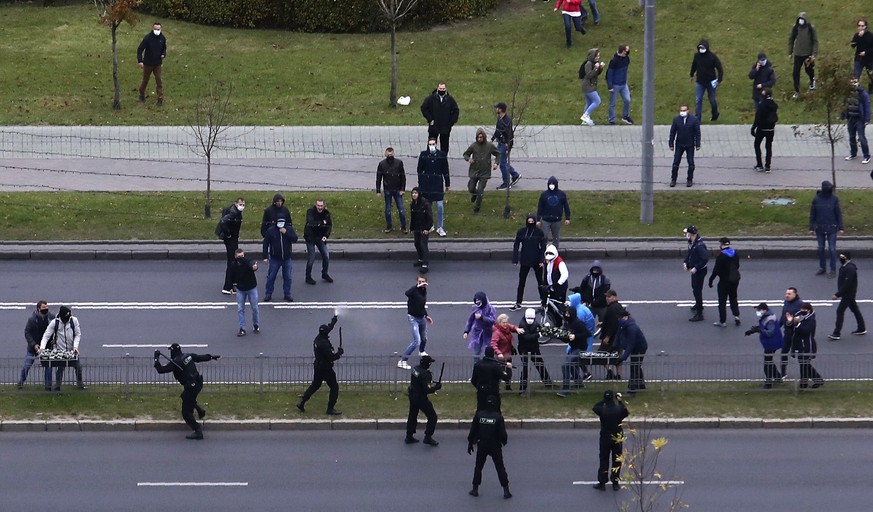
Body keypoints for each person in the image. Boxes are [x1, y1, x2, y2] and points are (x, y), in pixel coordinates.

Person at [153, 343, 220, 440]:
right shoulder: (187, 356)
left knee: (186, 412)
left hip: (191, 387)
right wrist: (211, 357)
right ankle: (200, 410)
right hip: (198, 383)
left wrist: (156, 359)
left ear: (173, 351)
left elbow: (161, 370)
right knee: (185, 396)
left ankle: (197, 430)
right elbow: (200, 358)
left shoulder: (176, 362)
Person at [297, 315, 344, 415]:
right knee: (334, 387)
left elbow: (328, 329)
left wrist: (333, 321)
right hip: (326, 368)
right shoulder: (324, 344)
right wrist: (339, 354)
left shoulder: (318, 338)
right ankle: (330, 408)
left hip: (318, 366)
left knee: (315, 385)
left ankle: (302, 402)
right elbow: (331, 357)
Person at [467, 395, 511, 499]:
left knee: (478, 467)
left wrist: (470, 444)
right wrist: (504, 442)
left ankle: (475, 489)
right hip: (495, 445)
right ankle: (506, 490)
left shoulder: (479, 415)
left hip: (482, 445)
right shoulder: (498, 417)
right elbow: (503, 434)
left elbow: (472, 431)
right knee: (500, 467)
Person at [37, 305, 85, 391]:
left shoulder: (74, 321)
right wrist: (42, 348)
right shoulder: (55, 322)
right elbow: (46, 336)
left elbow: (78, 334)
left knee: (78, 367)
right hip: (60, 350)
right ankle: (57, 387)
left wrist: (75, 347)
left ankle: (80, 385)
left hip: (71, 350)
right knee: (60, 369)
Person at [592, 390, 628, 491]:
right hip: (617, 438)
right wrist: (620, 400)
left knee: (604, 460)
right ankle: (615, 482)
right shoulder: (619, 409)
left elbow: (594, 407)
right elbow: (626, 411)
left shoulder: (602, 410)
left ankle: (602, 482)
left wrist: (603, 400)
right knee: (617, 460)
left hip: (605, 438)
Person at [744, 303, 785, 389]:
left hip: (771, 343)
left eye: (759, 310)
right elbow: (762, 326)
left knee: (767, 364)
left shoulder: (769, 319)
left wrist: (760, 330)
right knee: (769, 361)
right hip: (771, 343)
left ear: (764, 310)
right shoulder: (767, 316)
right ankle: (777, 377)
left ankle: (768, 382)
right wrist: (752, 331)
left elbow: (770, 333)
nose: (757, 312)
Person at [511, 214, 547, 311]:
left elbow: (543, 247)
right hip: (525, 260)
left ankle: (544, 301)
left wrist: (541, 260)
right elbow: (516, 245)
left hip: (536, 260)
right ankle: (518, 302)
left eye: (532, 221)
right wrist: (515, 258)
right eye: (529, 221)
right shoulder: (522, 231)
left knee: (540, 282)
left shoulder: (539, 232)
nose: (530, 223)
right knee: (521, 282)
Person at [829, 251, 867, 340]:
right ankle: (862, 328)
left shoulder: (850, 269)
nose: (840, 258)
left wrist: (837, 294)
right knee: (855, 309)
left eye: (842, 257)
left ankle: (836, 333)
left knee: (840, 311)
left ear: (846, 258)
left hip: (848, 294)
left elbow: (847, 283)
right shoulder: (845, 267)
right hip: (848, 293)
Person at [808, 181, 844, 277]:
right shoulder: (816, 200)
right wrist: (811, 227)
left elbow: (838, 214)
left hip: (832, 227)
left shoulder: (834, 199)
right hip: (820, 228)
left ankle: (833, 269)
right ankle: (822, 267)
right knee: (821, 248)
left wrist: (841, 227)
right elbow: (813, 214)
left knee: (832, 249)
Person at [555, 305, 592, 398]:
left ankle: (566, 389)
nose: (566, 315)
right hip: (573, 348)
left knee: (566, 366)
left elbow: (588, 333)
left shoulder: (578, 323)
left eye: (568, 313)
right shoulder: (567, 323)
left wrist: (576, 336)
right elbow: (567, 339)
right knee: (571, 366)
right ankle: (579, 383)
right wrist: (559, 336)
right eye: (566, 313)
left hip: (580, 348)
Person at [417, 137, 450, 237]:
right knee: (428, 206)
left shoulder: (441, 155)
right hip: (427, 184)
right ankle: (430, 224)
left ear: (436, 144)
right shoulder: (423, 155)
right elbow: (419, 170)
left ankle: (440, 227)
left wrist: (447, 183)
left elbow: (445, 169)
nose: (432, 146)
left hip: (438, 184)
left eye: (433, 144)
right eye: (430, 144)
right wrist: (421, 183)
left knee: (440, 206)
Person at [406, 355, 442, 446]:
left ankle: (409, 436)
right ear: (428, 364)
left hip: (412, 394)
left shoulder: (415, 369)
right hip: (420, 398)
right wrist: (436, 387)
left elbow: (419, 380)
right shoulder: (426, 374)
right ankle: (428, 437)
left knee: (412, 415)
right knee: (432, 417)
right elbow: (427, 390)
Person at [786, 302, 824, 389]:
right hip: (799, 344)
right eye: (801, 310)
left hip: (807, 345)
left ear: (808, 310)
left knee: (804, 364)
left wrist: (797, 323)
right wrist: (790, 321)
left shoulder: (811, 321)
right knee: (805, 364)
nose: (801, 311)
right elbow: (791, 326)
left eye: (804, 310)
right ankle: (817, 379)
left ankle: (803, 384)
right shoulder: (798, 315)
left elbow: (806, 331)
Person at [398, 275, 432, 369]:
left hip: (421, 317)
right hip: (413, 318)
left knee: (424, 338)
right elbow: (407, 293)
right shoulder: (414, 291)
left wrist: (426, 315)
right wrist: (417, 287)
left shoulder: (424, 291)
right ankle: (402, 361)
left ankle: (421, 351)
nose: (421, 283)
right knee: (417, 341)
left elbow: (421, 305)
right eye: (419, 282)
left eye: (422, 282)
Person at [462, 128, 499, 213]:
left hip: (485, 172)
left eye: (481, 137)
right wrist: (469, 159)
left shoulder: (490, 146)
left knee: (480, 190)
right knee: (471, 188)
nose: (479, 139)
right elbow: (466, 154)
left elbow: (498, 154)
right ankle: (474, 193)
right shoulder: (473, 146)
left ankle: (477, 207)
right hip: (474, 170)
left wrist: (496, 163)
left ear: (484, 137)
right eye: (478, 137)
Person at [19, 301, 55, 390]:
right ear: (38, 309)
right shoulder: (32, 319)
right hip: (33, 347)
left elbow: (55, 330)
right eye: (43, 308)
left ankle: (48, 387)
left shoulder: (51, 317)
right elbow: (27, 332)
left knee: (48, 367)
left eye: (47, 307)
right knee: (27, 365)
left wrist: (54, 340)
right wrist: (34, 345)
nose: (46, 309)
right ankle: (21, 382)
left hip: (46, 347)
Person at [261, 217, 298, 303]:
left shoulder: (288, 229)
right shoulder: (271, 231)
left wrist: (286, 233)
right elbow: (265, 243)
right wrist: (265, 256)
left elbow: (295, 239)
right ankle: (268, 294)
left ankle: (287, 294)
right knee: (271, 277)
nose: (281, 224)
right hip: (275, 258)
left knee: (288, 277)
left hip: (286, 258)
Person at [516, 308, 553, 392]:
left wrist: (545, 328)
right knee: (526, 368)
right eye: (529, 318)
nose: (530, 320)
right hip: (524, 349)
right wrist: (538, 335)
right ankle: (522, 388)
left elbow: (539, 329)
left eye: (532, 318)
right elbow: (526, 337)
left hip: (534, 348)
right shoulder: (522, 325)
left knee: (540, 365)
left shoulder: (535, 323)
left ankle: (548, 382)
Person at [708, 237, 741, 328]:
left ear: (721, 244)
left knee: (722, 301)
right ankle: (736, 316)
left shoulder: (721, 256)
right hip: (735, 280)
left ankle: (722, 321)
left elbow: (716, 270)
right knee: (733, 298)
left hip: (724, 282)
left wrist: (711, 280)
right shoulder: (734, 253)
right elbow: (737, 265)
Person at [420, 82, 460, 155]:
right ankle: (430, 157)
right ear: (437, 88)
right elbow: (424, 108)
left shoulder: (450, 99)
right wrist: (430, 119)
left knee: (444, 146)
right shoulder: (431, 98)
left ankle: (443, 159)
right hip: (434, 126)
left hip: (445, 127)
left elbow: (456, 111)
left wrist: (451, 123)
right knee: (431, 143)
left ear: (446, 89)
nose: (442, 90)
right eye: (440, 88)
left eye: (443, 89)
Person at [690, 39, 724, 122]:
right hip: (700, 82)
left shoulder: (712, 57)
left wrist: (719, 80)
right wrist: (691, 75)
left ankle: (715, 113)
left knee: (712, 100)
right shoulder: (697, 56)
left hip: (710, 82)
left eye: (703, 47)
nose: (701, 49)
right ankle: (698, 119)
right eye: (700, 47)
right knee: (698, 100)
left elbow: (720, 69)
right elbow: (694, 65)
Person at [376, 147, 408, 234]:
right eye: (388, 154)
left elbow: (403, 177)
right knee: (388, 209)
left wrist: (403, 189)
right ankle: (389, 225)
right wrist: (378, 191)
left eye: (391, 154)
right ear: (385, 154)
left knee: (401, 209)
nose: (390, 155)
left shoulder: (399, 163)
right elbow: (379, 178)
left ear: (393, 153)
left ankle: (404, 226)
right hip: (388, 190)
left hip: (398, 189)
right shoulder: (382, 164)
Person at [615, 309, 648, 395]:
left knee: (634, 367)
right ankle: (641, 385)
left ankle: (632, 390)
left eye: (620, 318)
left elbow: (631, 344)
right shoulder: (623, 324)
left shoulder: (631, 328)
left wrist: (623, 358)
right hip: (635, 346)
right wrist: (614, 347)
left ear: (625, 317)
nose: (619, 320)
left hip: (639, 347)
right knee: (636, 365)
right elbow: (618, 335)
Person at [668, 104, 701, 187]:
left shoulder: (694, 120)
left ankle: (689, 180)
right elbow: (673, 132)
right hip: (679, 144)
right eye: (681, 110)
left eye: (684, 110)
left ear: (688, 111)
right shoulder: (676, 119)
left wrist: (697, 144)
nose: (682, 112)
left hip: (690, 144)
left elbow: (697, 133)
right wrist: (671, 143)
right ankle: (673, 179)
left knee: (691, 163)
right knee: (676, 162)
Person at [217, 197, 245, 295]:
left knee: (233, 259)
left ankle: (233, 283)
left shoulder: (235, 211)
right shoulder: (233, 213)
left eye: (243, 205)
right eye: (240, 204)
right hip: (231, 239)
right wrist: (228, 233)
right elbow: (223, 221)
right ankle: (227, 286)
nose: (242, 206)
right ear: (236, 203)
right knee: (232, 261)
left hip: (232, 238)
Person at [471, 346, 511, 412]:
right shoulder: (496, 366)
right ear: (493, 354)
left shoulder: (478, 365)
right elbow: (506, 378)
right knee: (495, 410)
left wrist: (479, 387)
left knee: (481, 409)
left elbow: (473, 380)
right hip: (493, 391)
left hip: (481, 391)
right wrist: (509, 368)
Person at [788, 12, 819, 99]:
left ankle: (812, 81)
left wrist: (813, 54)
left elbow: (815, 42)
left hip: (808, 54)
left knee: (808, 70)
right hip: (798, 54)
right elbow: (791, 39)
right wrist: (790, 52)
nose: (801, 21)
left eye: (802, 19)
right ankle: (796, 90)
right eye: (799, 19)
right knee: (795, 72)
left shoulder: (810, 28)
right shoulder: (796, 28)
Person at [229, 248, 259, 336]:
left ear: (244, 255)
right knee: (240, 309)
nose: (241, 258)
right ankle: (242, 328)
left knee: (255, 308)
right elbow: (231, 276)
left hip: (251, 287)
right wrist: (231, 287)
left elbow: (253, 265)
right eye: (239, 257)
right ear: (235, 257)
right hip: (240, 289)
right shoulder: (233, 265)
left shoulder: (248, 261)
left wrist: (255, 267)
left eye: (242, 256)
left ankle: (256, 325)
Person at [492, 102, 521, 190]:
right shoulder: (499, 118)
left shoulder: (507, 121)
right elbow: (497, 130)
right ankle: (515, 175)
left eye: (497, 108)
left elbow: (510, 135)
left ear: (500, 110)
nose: (496, 109)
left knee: (502, 163)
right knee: (503, 162)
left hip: (504, 145)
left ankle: (506, 183)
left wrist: (508, 148)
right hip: (500, 143)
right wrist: (492, 139)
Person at [137, 22, 167, 106]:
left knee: (159, 81)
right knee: (145, 80)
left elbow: (164, 48)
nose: (157, 31)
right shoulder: (147, 38)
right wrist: (140, 61)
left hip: (157, 63)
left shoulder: (162, 38)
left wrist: (163, 54)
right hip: (148, 63)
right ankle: (142, 94)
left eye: (158, 29)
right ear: (152, 28)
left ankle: (160, 99)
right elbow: (140, 49)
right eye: (155, 29)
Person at [304, 198, 333, 285]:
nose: (320, 208)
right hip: (310, 237)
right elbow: (311, 222)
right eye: (318, 205)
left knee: (326, 256)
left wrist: (325, 236)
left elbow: (329, 226)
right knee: (311, 258)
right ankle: (308, 277)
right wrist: (322, 222)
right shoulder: (310, 211)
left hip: (320, 238)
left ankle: (324, 273)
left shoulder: (327, 214)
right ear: (315, 205)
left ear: (324, 205)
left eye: (321, 206)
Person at [536, 177, 571, 248]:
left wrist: (567, 218)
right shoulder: (544, 195)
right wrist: (538, 219)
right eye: (550, 184)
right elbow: (540, 207)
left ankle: (555, 251)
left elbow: (566, 206)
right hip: (546, 220)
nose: (551, 185)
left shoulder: (561, 194)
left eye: (553, 184)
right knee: (544, 236)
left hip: (557, 220)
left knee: (556, 237)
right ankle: (544, 249)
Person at [491, 314, 523, 390]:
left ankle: (508, 386)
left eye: (506, 322)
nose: (506, 324)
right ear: (499, 323)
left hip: (508, 355)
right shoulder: (497, 333)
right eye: (503, 322)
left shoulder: (506, 327)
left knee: (509, 372)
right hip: (500, 357)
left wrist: (517, 329)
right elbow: (493, 344)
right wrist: (499, 353)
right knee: (499, 373)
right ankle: (496, 388)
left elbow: (512, 327)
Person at [683, 226, 708, 322]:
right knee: (695, 288)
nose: (686, 235)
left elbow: (704, 259)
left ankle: (699, 313)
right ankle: (698, 304)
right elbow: (690, 254)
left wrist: (695, 268)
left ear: (692, 235)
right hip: (696, 270)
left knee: (697, 290)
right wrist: (685, 262)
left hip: (700, 271)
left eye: (687, 234)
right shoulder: (692, 243)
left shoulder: (699, 246)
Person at [844, 78, 871, 165]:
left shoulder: (862, 94)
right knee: (851, 137)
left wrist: (867, 119)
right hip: (851, 118)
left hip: (859, 119)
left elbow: (867, 106)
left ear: (858, 83)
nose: (853, 84)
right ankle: (853, 153)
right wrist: (844, 114)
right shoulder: (848, 93)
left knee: (861, 137)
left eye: (855, 82)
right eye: (852, 82)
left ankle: (866, 156)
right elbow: (845, 104)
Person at [751, 88, 778, 173]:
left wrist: (753, 127)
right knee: (768, 146)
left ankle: (759, 164)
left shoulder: (762, 104)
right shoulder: (774, 105)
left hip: (762, 128)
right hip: (771, 128)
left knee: (757, 144)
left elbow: (758, 117)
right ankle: (768, 166)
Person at [599, 289, 624, 380]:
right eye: (606, 296)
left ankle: (609, 372)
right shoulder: (619, 306)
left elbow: (613, 323)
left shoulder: (611, 308)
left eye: (609, 297)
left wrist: (607, 336)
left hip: (611, 337)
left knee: (601, 355)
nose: (607, 298)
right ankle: (618, 375)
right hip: (619, 336)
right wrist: (603, 323)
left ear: (614, 297)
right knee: (618, 356)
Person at [779, 287, 803, 380]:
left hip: (797, 334)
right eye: (786, 294)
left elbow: (801, 319)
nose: (787, 295)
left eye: (789, 294)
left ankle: (805, 375)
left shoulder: (800, 304)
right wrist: (777, 327)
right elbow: (783, 316)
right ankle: (783, 373)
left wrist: (793, 320)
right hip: (788, 333)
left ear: (795, 294)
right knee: (784, 352)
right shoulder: (786, 303)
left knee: (800, 356)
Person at [465, 291, 498, 360]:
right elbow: (470, 320)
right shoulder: (475, 308)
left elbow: (492, 321)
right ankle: (476, 368)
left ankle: (489, 366)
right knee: (476, 353)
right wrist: (466, 331)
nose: (477, 304)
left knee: (489, 352)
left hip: (488, 333)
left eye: (479, 302)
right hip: (477, 333)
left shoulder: (490, 308)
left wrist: (482, 317)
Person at [606, 44, 633, 125]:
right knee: (613, 103)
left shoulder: (626, 59)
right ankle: (612, 120)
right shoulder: (614, 61)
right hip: (615, 85)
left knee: (627, 100)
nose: (628, 52)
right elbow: (610, 73)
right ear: (622, 51)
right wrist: (610, 86)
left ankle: (625, 116)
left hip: (623, 84)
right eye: (626, 50)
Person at [409, 187, 433, 273]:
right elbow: (413, 217)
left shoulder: (425, 204)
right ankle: (420, 259)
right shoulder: (413, 204)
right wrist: (411, 227)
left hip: (424, 227)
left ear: (419, 194)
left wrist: (427, 228)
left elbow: (430, 217)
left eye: (416, 193)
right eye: (413, 193)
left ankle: (425, 264)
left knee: (423, 245)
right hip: (417, 227)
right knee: (417, 243)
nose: (414, 195)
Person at [579, 48, 605, 126]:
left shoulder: (594, 63)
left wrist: (600, 68)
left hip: (590, 86)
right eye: (596, 56)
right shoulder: (588, 64)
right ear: (592, 56)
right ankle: (585, 116)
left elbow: (596, 74)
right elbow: (589, 75)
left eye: (598, 56)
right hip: (588, 86)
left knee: (589, 102)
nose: (598, 57)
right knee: (597, 101)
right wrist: (596, 68)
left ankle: (584, 121)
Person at [851, 18, 873, 87]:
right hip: (859, 59)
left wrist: (866, 52)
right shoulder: (856, 35)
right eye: (859, 26)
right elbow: (853, 45)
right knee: (856, 77)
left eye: (862, 26)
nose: (860, 27)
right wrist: (858, 37)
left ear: (866, 26)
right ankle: (855, 91)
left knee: (871, 77)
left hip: (869, 59)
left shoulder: (870, 35)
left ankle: (870, 92)